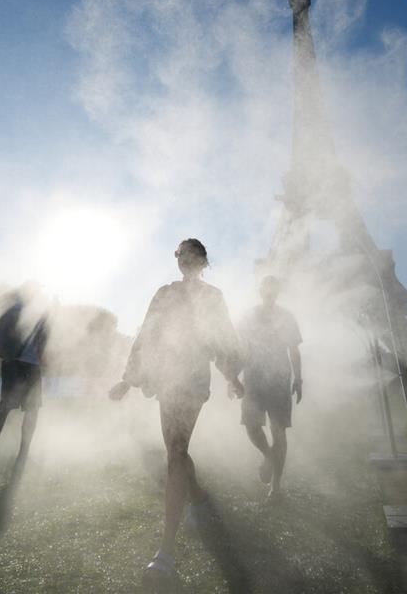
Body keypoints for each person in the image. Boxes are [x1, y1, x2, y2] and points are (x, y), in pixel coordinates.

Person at [108, 238, 244, 587]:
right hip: (167, 379)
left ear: (203, 261)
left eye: (192, 254)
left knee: (176, 453)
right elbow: (146, 334)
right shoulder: (164, 293)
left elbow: (224, 339)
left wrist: (231, 377)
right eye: (180, 253)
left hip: (194, 381)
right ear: (178, 259)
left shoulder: (213, 297)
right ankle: (198, 498)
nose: (185, 258)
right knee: (176, 452)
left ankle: (165, 552)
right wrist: (128, 379)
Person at [236, 275, 303, 502]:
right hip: (253, 377)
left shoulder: (287, 317)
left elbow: (294, 350)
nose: (269, 291)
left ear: (278, 291)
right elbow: (240, 348)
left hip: (279, 379)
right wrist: (233, 377)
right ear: (260, 290)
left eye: (273, 287)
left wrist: (299, 379)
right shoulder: (249, 316)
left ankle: (276, 487)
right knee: (252, 427)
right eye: (265, 286)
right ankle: (268, 456)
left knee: (278, 430)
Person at [0, 288, 51, 474]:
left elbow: (42, 341)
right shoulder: (15, 311)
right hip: (18, 365)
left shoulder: (39, 314)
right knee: (14, 410)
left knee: (24, 410)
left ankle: (13, 454)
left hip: (27, 366)